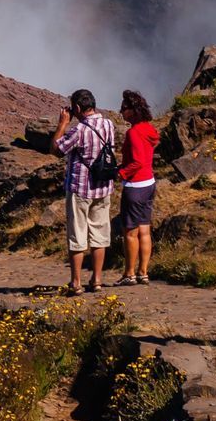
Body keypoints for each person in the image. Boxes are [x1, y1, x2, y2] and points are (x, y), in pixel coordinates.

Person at [52, 88, 117, 294]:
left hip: (80, 187)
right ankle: (97, 280)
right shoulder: (108, 124)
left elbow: (56, 149)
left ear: (78, 108)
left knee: (78, 234)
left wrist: (63, 123)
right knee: (99, 233)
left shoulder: (79, 130)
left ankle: (76, 282)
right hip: (103, 186)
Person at [117, 89, 160, 285]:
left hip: (135, 186)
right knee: (144, 230)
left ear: (133, 110)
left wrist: (121, 173)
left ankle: (129, 274)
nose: (121, 111)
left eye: (124, 108)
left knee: (130, 232)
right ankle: (143, 272)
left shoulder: (133, 133)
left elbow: (137, 161)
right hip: (149, 183)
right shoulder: (148, 129)